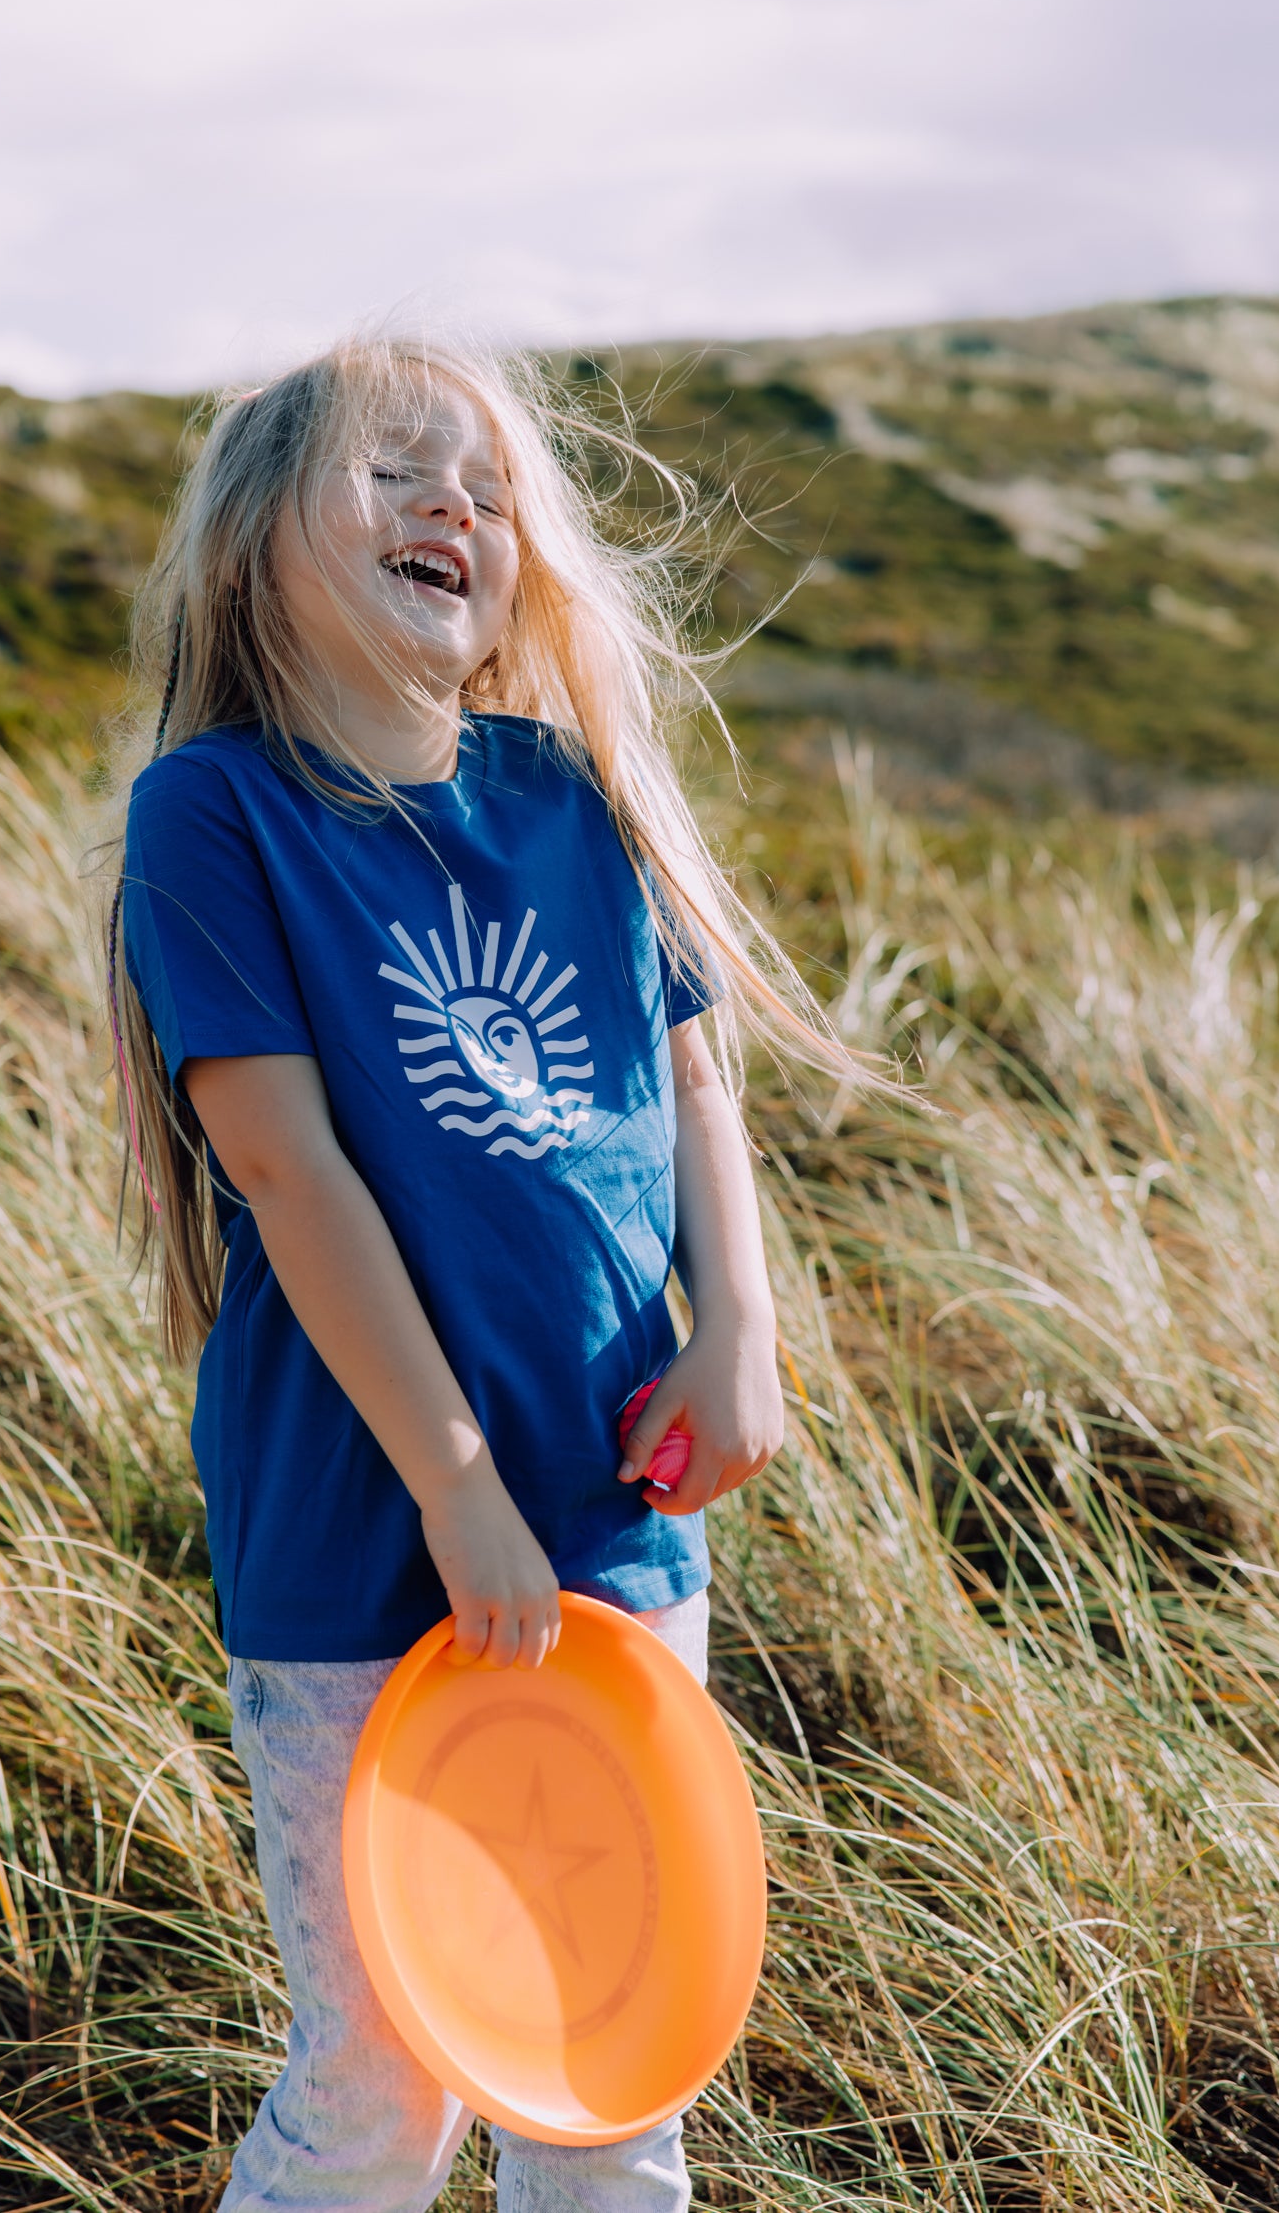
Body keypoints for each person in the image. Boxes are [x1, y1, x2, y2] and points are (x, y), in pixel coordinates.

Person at [104, 337, 863, 2213]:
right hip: (361, 1538)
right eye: (394, 471)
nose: (454, 504)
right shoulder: (216, 812)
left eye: (491, 490)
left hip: (609, 1517)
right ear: (253, 543)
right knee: (381, 2086)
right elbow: (286, 1170)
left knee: (607, 2063)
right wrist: (456, 1489)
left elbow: (695, 1083)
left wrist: (741, 1330)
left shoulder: (574, 799)